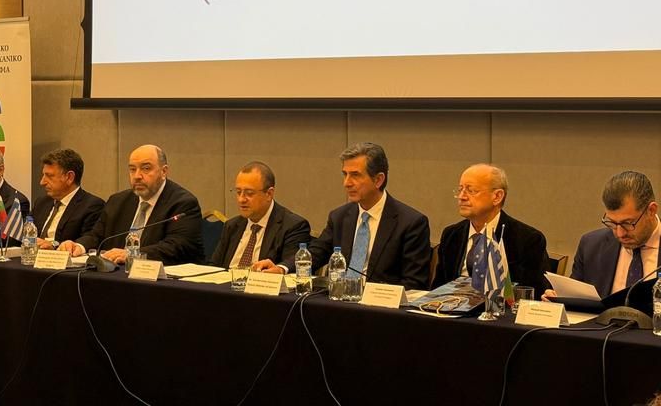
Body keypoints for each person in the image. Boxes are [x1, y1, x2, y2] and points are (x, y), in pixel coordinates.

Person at [256, 142, 431, 289]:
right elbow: (316, 253)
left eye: (355, 175)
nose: (346, 183)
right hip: (339, 301)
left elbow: (414, 283)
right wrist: (282, 268)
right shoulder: (339, 217)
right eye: (345, 174)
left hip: (382, 309)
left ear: (378, 180)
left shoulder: (411, 223)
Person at [58, 144, 204, 265]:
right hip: (118, 275)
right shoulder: (118, 201)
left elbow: (176, 247)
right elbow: (96, 235)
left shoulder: (182, 203)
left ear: (164, 171)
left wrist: (132, 254)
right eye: (133, 169)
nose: (137, 176)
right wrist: (78, 246)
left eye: (146, 168)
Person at [432, 163, 550, 293]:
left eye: (471, 191)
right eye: (460, 190)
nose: (462, 197)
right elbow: (437, 289)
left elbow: (532, 293)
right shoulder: (452, 235)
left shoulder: (527, 240)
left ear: (497, 196)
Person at [544, 171, 660, 300]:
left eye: (628, 223)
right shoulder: (591, 246)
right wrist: (558, 300)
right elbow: (575, 300)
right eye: (612, 223)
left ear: (651, 210)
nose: (620, 233)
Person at [210, 161, 311, 270]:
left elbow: (292, 269)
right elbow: (213, 267)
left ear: (269, 194)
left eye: (249, 193)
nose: (241, 199)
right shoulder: (232, 226)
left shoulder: (292, 226)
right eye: (238, 192)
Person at [32, 148, 104, 249]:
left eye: (49, 176)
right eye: (43, 175)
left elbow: (89, 240)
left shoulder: (92, 206)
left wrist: (54, 245)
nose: (42, 182)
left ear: (69, 177)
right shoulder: (41, 203)